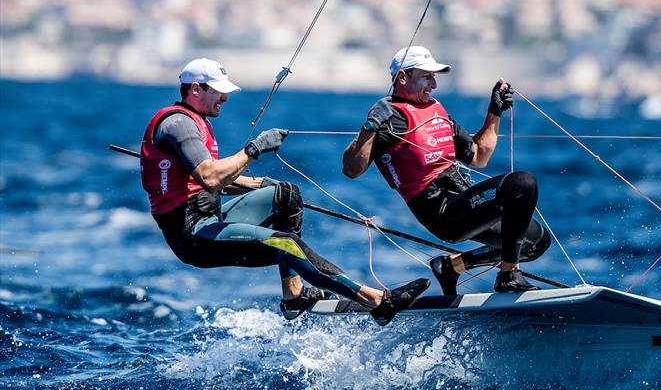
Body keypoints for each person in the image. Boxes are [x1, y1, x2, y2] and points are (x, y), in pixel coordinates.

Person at [140, 58, 428, 325]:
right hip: (192, 234)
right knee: (286, 243)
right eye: (218, 91)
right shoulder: (179, 124)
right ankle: (376, 300)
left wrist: (256, 184)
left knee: (285, 194)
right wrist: (253, 150)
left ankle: (294, 296)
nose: (225, 98)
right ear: (195, 89)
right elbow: (209, 177)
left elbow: (204, 182)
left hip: (208, 214)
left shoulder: (194, 121)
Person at [342, 46, 551, 295]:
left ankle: (451, 266)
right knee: (522, 184)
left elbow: (478, 156)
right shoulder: (389, 115)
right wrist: (371, 125)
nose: (433, 85)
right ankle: (508, 276)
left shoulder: (436, 111)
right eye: (427, 77)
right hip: (441, 212)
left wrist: (494, 111)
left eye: (434, 78)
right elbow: (352, 169)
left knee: (537, 242)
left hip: (467, 204)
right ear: (402, 78)